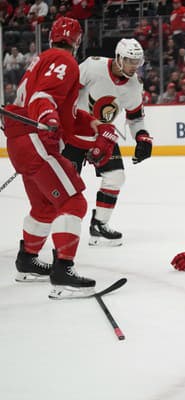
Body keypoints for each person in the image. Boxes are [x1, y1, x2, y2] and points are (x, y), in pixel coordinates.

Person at [2, 17, 118, 298]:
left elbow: (64, 113)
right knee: (72, 201)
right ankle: (62, 273)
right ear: (78, 41)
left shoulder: (43, 59)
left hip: (21, 141)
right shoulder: (63, 61)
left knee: (45, 206)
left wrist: (93, 124)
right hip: (35, 137)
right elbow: (43, 98)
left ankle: (27, 262)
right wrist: (47, 117)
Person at [62, 38, 153, 247]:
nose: (134, 66)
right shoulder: (93, 66)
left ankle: (100, 224)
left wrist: (142, 137)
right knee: (65, 186)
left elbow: (136, 117)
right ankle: (54, 230)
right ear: (119, 57)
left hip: (103, 136)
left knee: (115, 177)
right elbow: (67, 91)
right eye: (130, 61)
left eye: (137, 62)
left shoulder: (133, 86)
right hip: (74, 134)